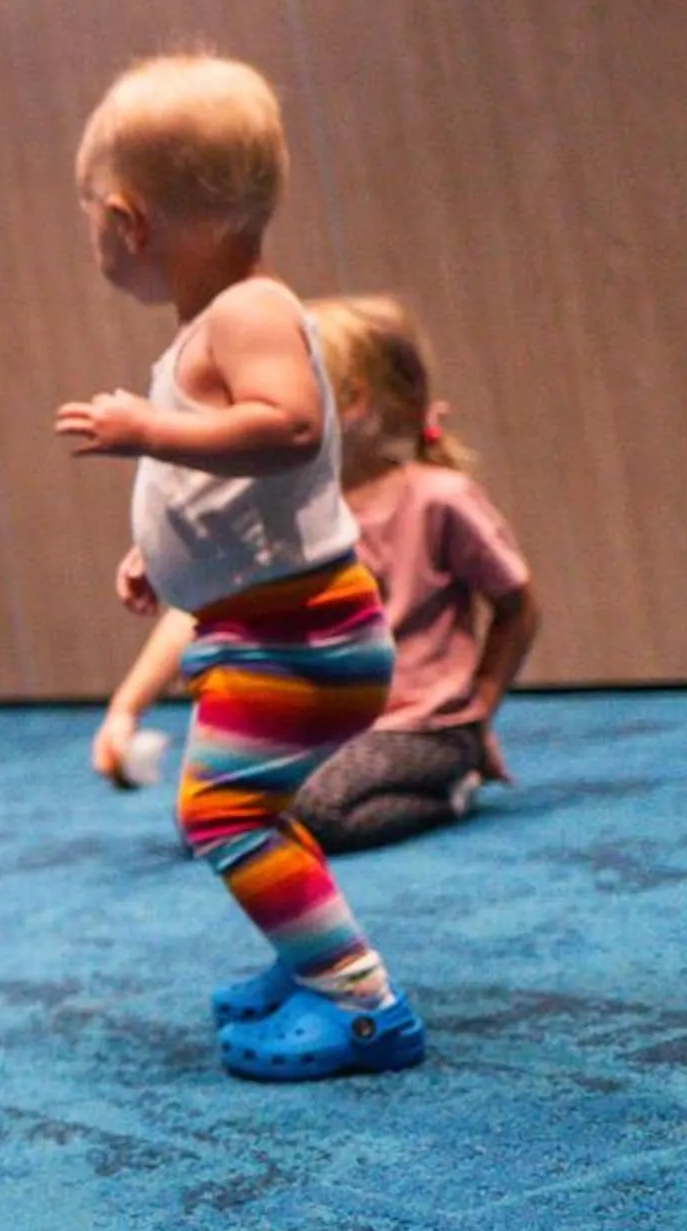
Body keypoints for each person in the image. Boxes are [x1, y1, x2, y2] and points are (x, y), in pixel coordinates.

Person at [57, 55, 424, 1082]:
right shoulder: (213, 324)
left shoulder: (248, 312)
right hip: (273, 626)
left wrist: (148, 429)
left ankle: (357, 999)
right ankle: (309, 961)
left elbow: (289, 428)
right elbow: (247, 487)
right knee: (250, 806)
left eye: (90, 213)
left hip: (302, 638)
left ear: (129, 220)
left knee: (221, 810)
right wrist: (166, 555)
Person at [92, 295, 542, 853]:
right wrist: (125, 710)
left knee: (316, 814)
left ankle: (453, 785)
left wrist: (477, 715)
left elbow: (517, 607)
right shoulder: (279, 508)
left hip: (420, 728)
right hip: (323, 724)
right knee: (212, 818)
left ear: (347, 402)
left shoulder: (439, 498)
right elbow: (197, 611)